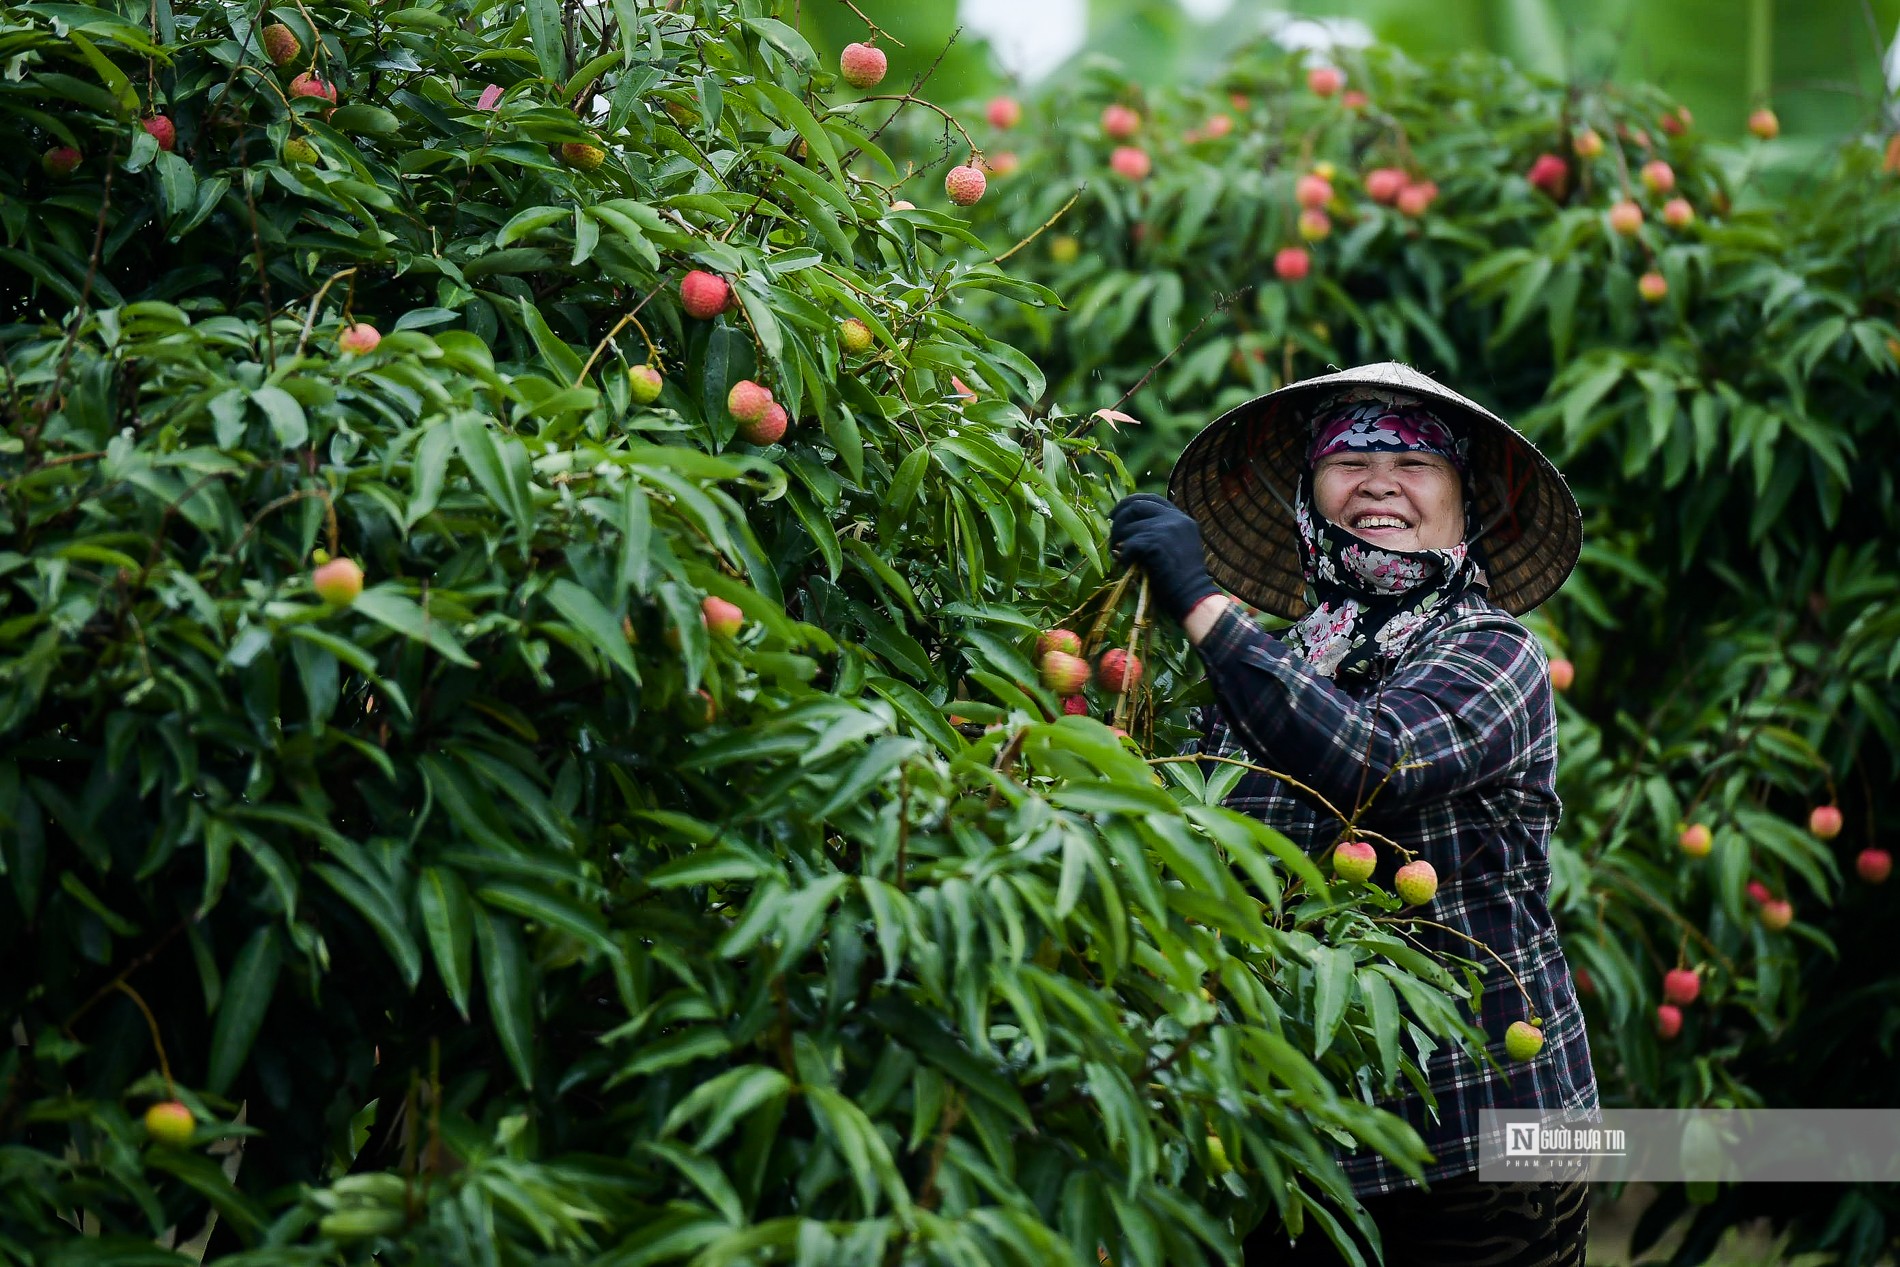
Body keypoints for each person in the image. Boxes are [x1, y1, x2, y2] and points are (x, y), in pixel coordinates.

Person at [1108, 363, 1598, 1267]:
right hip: (1311, 1134)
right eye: (1346, 456)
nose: (1378, 478)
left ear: (1464, 501)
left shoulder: (1496, 652)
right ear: (1308, 497)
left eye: (1415, 460)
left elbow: (1376, 756)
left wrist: (1200, 602)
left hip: (1489, 1132)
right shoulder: (1269, 670)